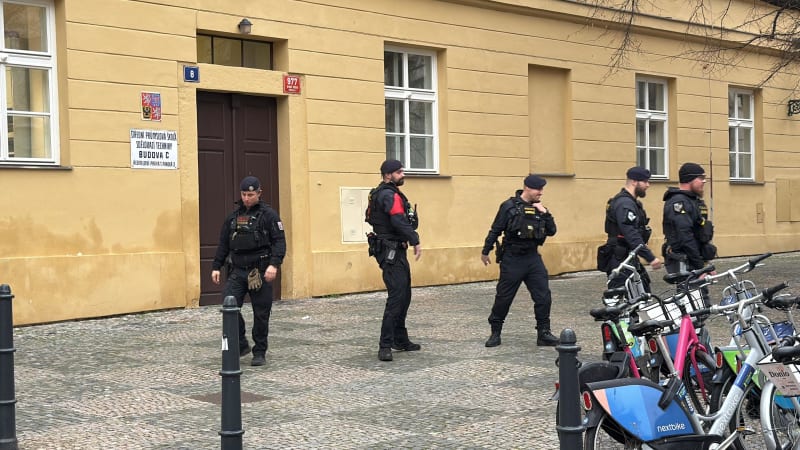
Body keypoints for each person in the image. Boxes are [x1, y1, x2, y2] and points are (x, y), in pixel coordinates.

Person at [211, 176, 287, 367]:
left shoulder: (269, 215)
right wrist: (216, 266)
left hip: (260, 271)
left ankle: (259, 351)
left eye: (250, 195)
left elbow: (279, 242)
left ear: (259, 193)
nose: (246, 198)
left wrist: (274, 265)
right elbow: (224, 244)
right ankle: (241, 343)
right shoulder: (234, 217)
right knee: (229, 305)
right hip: (237, 270)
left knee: (261, 313)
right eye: (244, 194)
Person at [480, 174, 559, 347]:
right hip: (512, 258)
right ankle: (495, 332)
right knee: (504, 297)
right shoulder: (509, 206)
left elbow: (552, 231)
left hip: (532, 258)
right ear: (527, 188)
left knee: (543, 296)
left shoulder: (540, 209)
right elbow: (496, 229)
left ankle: (544, 332)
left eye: (542, 189)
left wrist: (545, 213)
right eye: (538, 189)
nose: (541, 192)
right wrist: (486, 251)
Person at [365, 159, 422, 362]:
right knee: (397, 297)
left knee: (404, 294)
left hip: (395, 250)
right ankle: (385, 345)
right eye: (398, 172)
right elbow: (397, 219)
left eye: (402, 171)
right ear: (388, 175)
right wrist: (415, 239)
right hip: (391, 252)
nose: (402, 174)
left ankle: (400, 339)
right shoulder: (389, 195)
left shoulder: (384, 192)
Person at [601, 166, 662, 292]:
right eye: (645, 181)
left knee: (643, 293)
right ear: (634, 182)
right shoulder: (624, 204)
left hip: (629, 255)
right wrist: (650, 257)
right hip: (620, 258)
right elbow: (631, 233)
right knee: (619, 298)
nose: (648, 185)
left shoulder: (632, 203)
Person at [662, 162, 716, 274]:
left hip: (694, 260)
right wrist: (700, 267)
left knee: (700, 291)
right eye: (701, 178)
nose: (704, 181)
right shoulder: (678, 202)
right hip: (685, 261)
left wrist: (705, 264)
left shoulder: (692, 201)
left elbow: (698, 233)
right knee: (690, 291)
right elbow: (685, 236)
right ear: (689, 179)